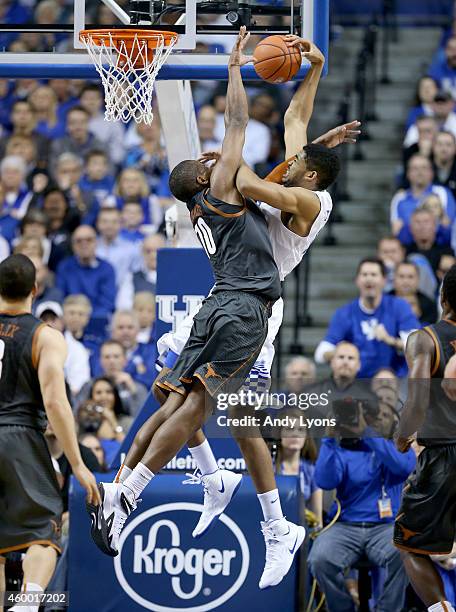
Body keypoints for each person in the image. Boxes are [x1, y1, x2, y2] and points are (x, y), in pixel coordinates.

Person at [92, 31, 347, 590]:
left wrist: (311, 76)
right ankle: (199, 481)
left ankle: (262, 520)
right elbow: (271, 147)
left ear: (311, 174)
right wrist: (288, 90)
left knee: (230, 414)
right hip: (233, 297)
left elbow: (264, 174)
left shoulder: (310, 200)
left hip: (254, 302)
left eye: (302, 159)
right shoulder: (251, 185)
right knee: (176, 394)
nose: (293, 151)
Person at [0, 254, 99, 612]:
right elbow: (56, 402)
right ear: (34, 290)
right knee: (44, 529)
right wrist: (78, 464)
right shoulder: (45, 336)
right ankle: (28, 601)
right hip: (20, 436)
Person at [308, 398, 416, 612]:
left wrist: (367, 433)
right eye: (372, 416)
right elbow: (324, 481)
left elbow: (402, 468)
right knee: (319, 559)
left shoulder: (400, 448)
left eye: (384, 417)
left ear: (396, 422)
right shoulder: (344, 449)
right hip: (345, 527)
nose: (376, 420)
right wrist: (329, 439)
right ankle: (343, 608)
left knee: (405, 553)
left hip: (385, 528)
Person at [394, 264, 456, 612]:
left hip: (444, 457)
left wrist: (402, 438)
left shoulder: (425, 339)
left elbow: (416, 401)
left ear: (442, 295)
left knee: (408, 544)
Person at [314, 258, 420, 377]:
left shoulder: (399, 306)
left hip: (393, 382)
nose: (369, 278)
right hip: (357, 383)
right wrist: (341, 352)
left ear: (384, 280)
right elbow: (320, 353)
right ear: (357, 280)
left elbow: (418, 345)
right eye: (364, 274)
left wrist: (390, 340)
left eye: (374, 274)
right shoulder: (345, 313)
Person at [56, 225, 116, 323]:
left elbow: (107, 304)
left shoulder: (107, 269)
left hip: (97, 321)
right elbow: (60, 298)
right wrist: (75, 316)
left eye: (89, 240)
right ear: (73, 245)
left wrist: (83, 318)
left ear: (96, 242)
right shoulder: (64, 267)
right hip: (70, 321)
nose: (84, 244)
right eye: (79, 241)